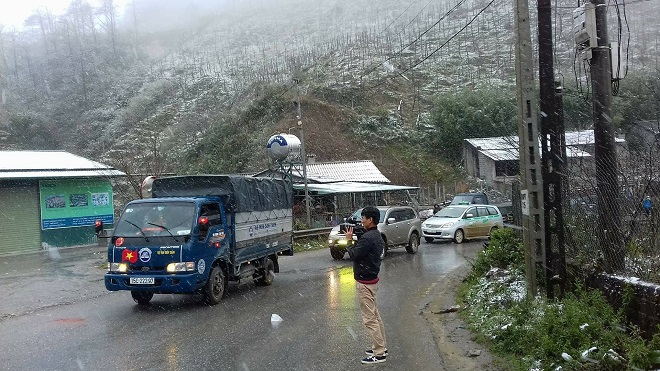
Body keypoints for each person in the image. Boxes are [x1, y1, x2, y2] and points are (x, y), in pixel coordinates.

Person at [345, 206, 387, 364]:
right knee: (375, 315)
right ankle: (381, 346)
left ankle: (379, 353)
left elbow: (355, 255)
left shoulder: (368, 238)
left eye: (363, 218)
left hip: (365, 283)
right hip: (372, 279)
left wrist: (349, 240)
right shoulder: (376, 235)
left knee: (369, 319)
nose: (361, 221)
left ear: (370, 220)